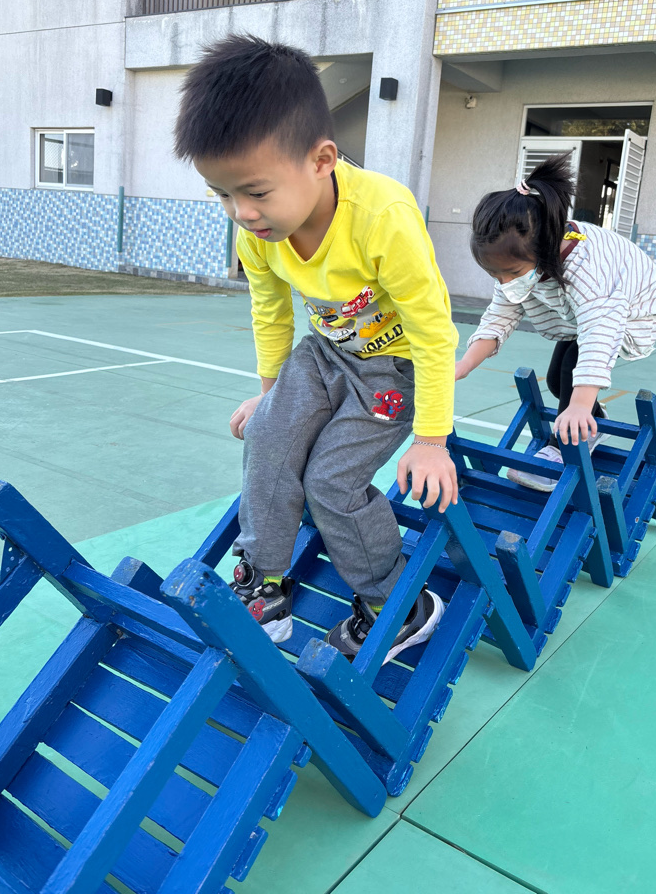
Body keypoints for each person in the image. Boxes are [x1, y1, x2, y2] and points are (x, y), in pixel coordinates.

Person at [174, 34, 457, 662]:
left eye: (256, 191)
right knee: (268, 436)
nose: (242, 212)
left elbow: (435, 332)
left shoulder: (382, 216)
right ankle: (264, 584)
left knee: (330, 481)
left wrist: (432, 441)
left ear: (322, 160)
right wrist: (271, 396)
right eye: (222, 194)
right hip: (325, 355)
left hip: (394, 371)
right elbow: (271, 311)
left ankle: (397, 604)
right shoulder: (258, 233)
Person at [455, 155, 656, 492]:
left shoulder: (588, 269)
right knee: (557, 380)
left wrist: (580, 405)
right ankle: (594, 418)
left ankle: (563, 447)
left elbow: (600, 332)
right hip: (582, 314)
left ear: (546, 247)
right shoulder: (523, 258)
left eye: (512, 273)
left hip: (634, 312)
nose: (504, 282)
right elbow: (500, 315)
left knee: (574, 371)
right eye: (495, 275)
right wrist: (464, 365)